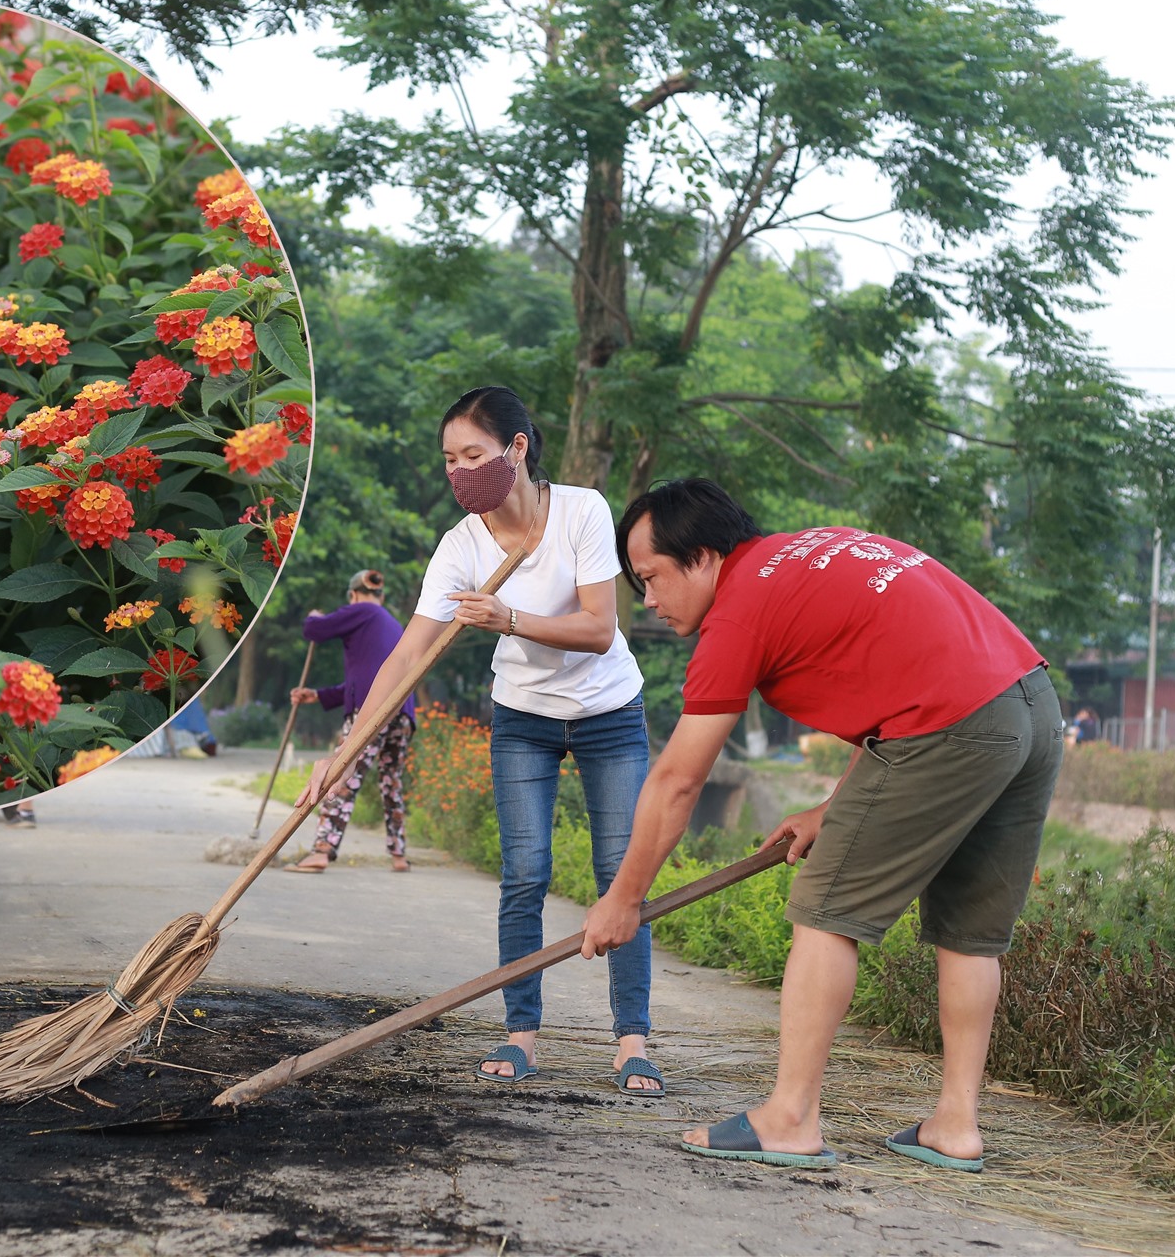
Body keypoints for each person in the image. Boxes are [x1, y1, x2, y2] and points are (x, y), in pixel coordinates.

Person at [581, 479, 1060, 1170]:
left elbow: (678, 780)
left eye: (651, 579)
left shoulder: (739, 614)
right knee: (969, 934)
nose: (648, 601)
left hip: (955, 723)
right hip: (1030, 704)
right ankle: (956, 1125)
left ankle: (790, 1116)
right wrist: (831, 810)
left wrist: (623, 899)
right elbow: (901, 678)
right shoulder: (811, 553)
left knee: (824, 911)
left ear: (705, 557)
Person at [301, 387, 664, 1095]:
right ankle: (520, 1034)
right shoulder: (460, 546)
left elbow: (597, 630)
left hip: (607, 710)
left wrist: (508, 618)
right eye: (449, 460)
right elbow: (408, 656)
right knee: (524, 873)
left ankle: (632, 1040)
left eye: (473, 455)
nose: (460, 471)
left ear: (517, 448)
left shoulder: (583, 511)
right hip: (522, 717)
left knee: (622, 875)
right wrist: (342, 753)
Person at [285, 569, 416, 874]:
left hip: (374, 713)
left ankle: (321, 850)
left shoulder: (363, 610)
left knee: (343, 773)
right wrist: (319, 696)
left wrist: (315, 617)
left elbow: (315, 631)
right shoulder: (390, 623)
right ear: (380, 595)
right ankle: (399, 855)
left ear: (353, 596)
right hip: (403, 712)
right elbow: (372, 680)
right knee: (391, 783)